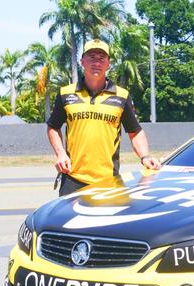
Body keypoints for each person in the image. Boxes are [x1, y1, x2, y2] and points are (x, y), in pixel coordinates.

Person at [46, 39, 161, 196]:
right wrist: (60, 153)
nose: (96, 63)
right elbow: (53, 126)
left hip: (109, 181)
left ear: (108, 64)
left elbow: (135, 131)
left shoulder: (121, 96)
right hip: (72, 179)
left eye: (101, 58)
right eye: (91, 57)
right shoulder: (66, 93)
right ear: (82, 61)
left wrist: (145, 156)